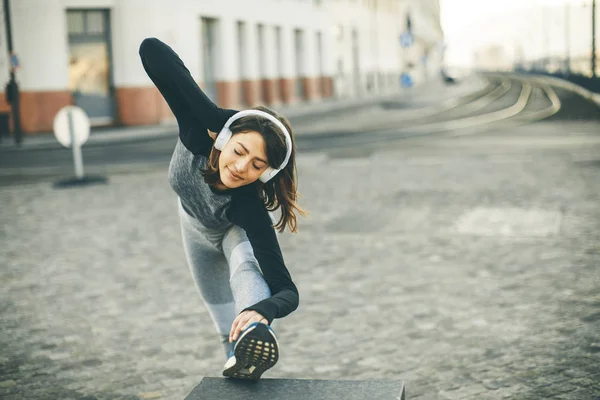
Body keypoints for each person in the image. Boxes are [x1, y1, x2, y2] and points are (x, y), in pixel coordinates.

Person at [139, 37, 306, 380]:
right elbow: (151, 50)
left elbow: (287, 289)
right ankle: (237, 358)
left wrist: (264, 309)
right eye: (241, 150)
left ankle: (255, 333)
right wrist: (215, 116)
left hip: (229, 231)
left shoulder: (248, 207)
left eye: (257, 164)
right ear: (226, 136)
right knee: (220, 318)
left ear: (266, 173)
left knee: (246, 271)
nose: (243, 167)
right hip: (193, 230)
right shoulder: (198, 134)